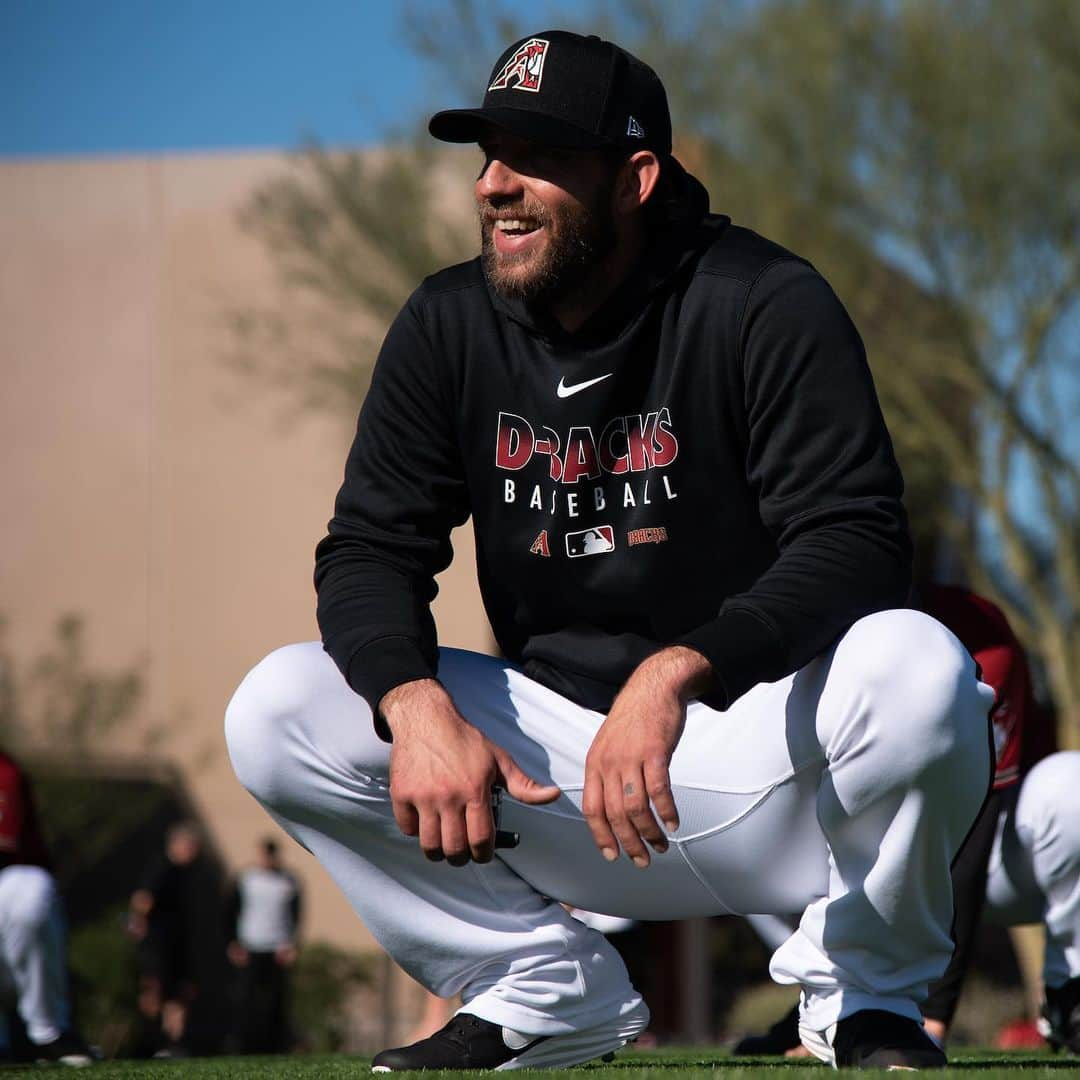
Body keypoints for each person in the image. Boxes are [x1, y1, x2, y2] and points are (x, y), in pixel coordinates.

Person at [225, 29, 996, 1070]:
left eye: (536, 157)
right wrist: (412, 705)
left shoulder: (761, 301)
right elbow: (370, 548)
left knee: (918, 668)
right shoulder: (447, 324)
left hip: (757, 762)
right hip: (556, 781)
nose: (496, 184)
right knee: (278, 709)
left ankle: (869, 999)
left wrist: (677, 671)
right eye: (488, 153)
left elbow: (856, 539)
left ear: (636, 178)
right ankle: (540, 991)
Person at [735, 585, 1080, 1056]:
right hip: (831, 849)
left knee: (1072, 787)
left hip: (987, 852)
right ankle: (826, 1003)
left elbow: (970, 836)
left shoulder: (975, 630)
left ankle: (1070, 997)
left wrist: (932, 1013)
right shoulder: (781, 610)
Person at [0, 750, 94, 1067]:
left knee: (29, 892)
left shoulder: (5, 771)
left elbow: (6, 843)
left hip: (10, 882)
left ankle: (47, 1031)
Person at [127, 821, 205, 1057]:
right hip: (158, 943)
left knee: (179, 994)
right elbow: (142, 900)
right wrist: (138, 923)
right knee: (154, 992)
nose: (194, 852)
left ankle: (172, 1043)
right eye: (190, 846)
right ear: (178, 844)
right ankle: (149, 1041)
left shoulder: (186, 873)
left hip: (177, 942)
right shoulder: (161, 868)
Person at [225, 837, 302, 1053]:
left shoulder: (288, 881)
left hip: (277, 948)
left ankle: (276, 1045)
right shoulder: (246, 879)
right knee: (245, 999)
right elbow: (230, 911)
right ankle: (243, 1045)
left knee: (276, 1000)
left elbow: (296, 915)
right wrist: (233, 942)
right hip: (250, 947)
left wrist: (291, 944)